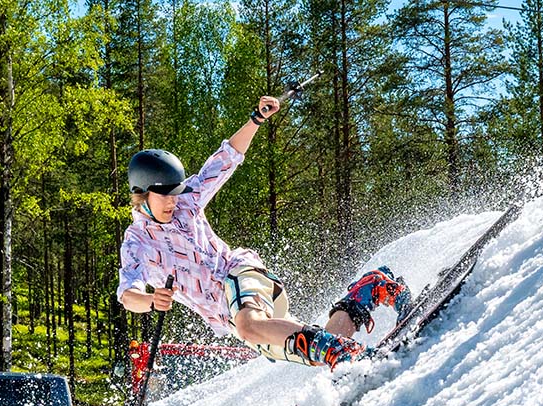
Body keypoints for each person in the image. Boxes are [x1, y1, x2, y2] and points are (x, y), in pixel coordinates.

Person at [117, 95, 412, 369]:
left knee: (251, 324)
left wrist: (255, 120)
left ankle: (348, 352)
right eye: (164, 195)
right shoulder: (136, 243)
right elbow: (127, 294)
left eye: (175, 193)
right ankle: (368, 290)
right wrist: (151, 301)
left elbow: (225, 159)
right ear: (141, 193)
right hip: (232, 318)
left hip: (240, 276)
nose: (172, 200)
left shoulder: (187, 200)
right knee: (319, 350)